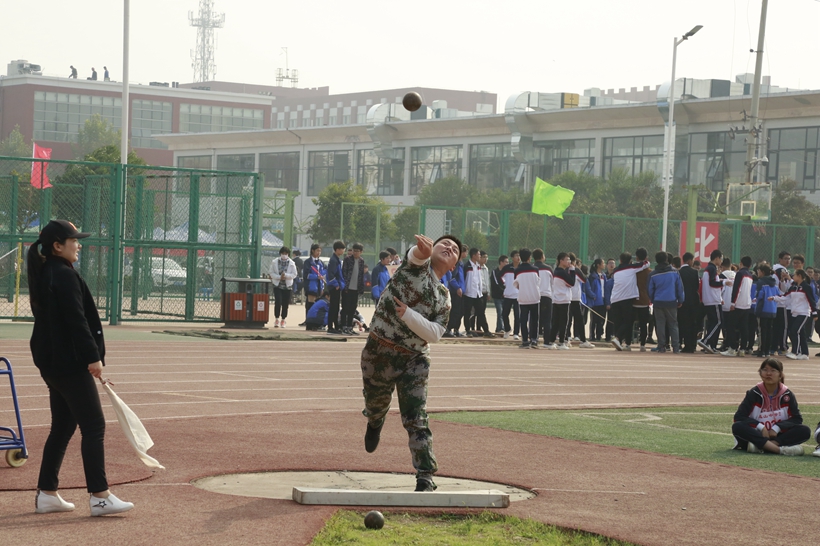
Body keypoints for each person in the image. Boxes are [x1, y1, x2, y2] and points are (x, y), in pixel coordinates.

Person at [27, 220, 134, 516]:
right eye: (74, 240)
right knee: (94, 426)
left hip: (52, 364)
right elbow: (77, 321)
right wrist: (93, 357)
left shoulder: (46, 272)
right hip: (70, 364)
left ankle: (47, 494)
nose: (79, 245)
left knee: (62, 427)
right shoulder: (63, 275)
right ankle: (100, 496)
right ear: (57, 246)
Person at [361, 233, 461, 492]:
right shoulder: (413, 268)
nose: (449, 247)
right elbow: (414, 257)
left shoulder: (444, 296)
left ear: (454, 266)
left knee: (416, 418)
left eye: (455, 250)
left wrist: (409, 315)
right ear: (432, 249)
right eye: (444, 244)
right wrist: (421, 253)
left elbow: (435, 334)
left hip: (415, 359)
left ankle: (425, 475)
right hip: (379, 351)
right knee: (375, 405)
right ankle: (375, 421)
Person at [731, 358, 809, 456]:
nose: (768, 373)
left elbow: (797, 419)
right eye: (765, 370)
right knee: (738, 426)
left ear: (780, 374)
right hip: (756, 434)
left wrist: (777, 427)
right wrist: (761, 427)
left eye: (773, 370)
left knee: (804, 430)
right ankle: (779, 450)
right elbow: (739, 417)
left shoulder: (787, 395)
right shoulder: (753, 393)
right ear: (760, 373)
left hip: (778, 435)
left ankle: (762, 446)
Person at [768, 269, 817, 360]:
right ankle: (805, 353)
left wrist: (814, 313)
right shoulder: (793, 287)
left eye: (794, 275)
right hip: (795, 313)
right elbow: (785, 297)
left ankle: (795, 352)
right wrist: (774, 298)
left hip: (803, 313)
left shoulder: (806, 287)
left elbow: (811, 300)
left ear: (799, 276)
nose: (792, 277)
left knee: (794, 331)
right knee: (801, 333)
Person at [609, 252, 649, 351]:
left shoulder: (615, 270)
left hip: (614, 298)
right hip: (626, 298)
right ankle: (617, 338)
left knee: (618, 322)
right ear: (630, 261)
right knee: (628, 321)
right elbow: (646, 263)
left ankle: (618, 342)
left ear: (620, 260)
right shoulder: (632, 268)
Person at [647, 251, 684, 354]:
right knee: (673, 324)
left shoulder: (653, 274)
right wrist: (680, 300)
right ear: (667, 259)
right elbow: (680, 288)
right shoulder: (675, 272)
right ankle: (676, 347)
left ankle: (661, 346)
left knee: (660, 324)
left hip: (658, 302)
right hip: (671, 301)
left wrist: (653, 299)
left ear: (656, 260)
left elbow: (650, 290)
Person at [697, 249, 731, 354]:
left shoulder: (708, 269)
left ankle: (711, 345)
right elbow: (712, 283)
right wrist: (724, 283)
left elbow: (711, 282)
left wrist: (722, 281)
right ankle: (705, 341)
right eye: (721, 258)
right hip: (713, 300)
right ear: (716, 258)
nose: (721, 261)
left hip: (710, 300)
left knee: (713, 323)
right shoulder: (712, 269)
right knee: (718, 322)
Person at [722, 256, 754, 357]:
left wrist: (733, 303)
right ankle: (742, 349)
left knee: (730, 326)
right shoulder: (750, 275)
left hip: (738, 304)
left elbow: (737, 288)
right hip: (746, 304)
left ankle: (733, 348)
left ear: (741, 263)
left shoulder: (740, 274)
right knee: (744, 328)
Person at [512, 248, 540, 349]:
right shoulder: (535, 269)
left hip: (523, 298)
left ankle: (525, 341)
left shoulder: (517, 270)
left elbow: (516, 284)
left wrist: (523, 288)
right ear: (529, 258)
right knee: (534, 320)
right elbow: (538, 282)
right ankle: (534, 340)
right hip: (534, 297)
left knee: (523, 320)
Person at [551, 252, 576, 350]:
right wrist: (572, 270)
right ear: (561, 261)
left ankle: (551, 341)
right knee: (563, 322)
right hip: (563, 300)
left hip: (557, 299)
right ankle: (561, 342)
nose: (569, 261)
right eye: (567, 260)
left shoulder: (557, 271)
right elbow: (572, 283)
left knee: (556, 322)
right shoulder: (562, 272)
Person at [753, 263, 779, 357]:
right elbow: (778, 295)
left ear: (762, 272)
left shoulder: (761, 282)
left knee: (762, 331)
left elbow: (759, 295)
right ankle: (767, 351)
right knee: (769, 330)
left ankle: (761, 350)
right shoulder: (774, 282)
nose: (757, 272)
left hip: (763, 309)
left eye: (758, 271)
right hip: (772, 310)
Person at [269, 246, 298, 328]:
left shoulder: (292, 263)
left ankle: (283, 319)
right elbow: (271, 272)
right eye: (283, 253)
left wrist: (286, 276)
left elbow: (294, 274)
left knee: (285, 303)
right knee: (278, 302)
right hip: (277, 285)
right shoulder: (275, 262)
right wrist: (279, 277)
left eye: (286, 253)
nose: (284, 255)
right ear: (280, 254)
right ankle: (276, 318)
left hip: (287, 286)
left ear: (288, 254)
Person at [678, 252, 701, 353]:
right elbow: (696, 286)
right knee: (693, 323)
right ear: (689, 261)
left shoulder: (679, 272)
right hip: (693, 301)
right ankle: (693, 345)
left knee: (684, 323)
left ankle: (686, 345)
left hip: (683, 301)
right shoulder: (695, 272)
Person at [341, 243, 366, 335]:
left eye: (357, 251)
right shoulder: (347, 259)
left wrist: (361, 288)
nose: (355, 253)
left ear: (361, 252)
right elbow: (344, 273)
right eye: (354, 251)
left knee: (352, 309)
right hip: (347, 288)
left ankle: (349, 327)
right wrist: (344, 286)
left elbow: (361, 275)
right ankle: (344, 327)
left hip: (356, 289)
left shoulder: (361, 261)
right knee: (345, 308)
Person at [532, 249, 554, 349]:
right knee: (547, 320)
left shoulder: (532, 268)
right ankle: (547, 341)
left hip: (535, 296)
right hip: (546, 296)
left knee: (534, 319)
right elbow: (553, 283)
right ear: (542, 256)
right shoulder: (548, 268)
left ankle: (534, 340)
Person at [443, 245, 466, 337]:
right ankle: (448, 329)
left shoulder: (461, 263)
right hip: (455, 291)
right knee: (454, 311)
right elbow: (451, 277)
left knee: (460, 312)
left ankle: (456, 329)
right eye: (465, 252)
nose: (466, 254)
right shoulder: (455, 263)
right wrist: (457, 288)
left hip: (461, 291)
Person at [462, 248, 486, 337]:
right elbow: (464, 279)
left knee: (481, 312)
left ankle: (486, 330)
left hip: (478, 294)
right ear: (473, 255)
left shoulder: (478, 266)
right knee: (467, 313)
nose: (480, 256)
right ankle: (468, 330)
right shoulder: (467, 266)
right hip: (468, 294)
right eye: (478, 254)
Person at [632, 248, 652, 351]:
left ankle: (627, 343)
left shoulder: (632, 271)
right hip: (644, 300)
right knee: (643, 324)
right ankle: (642, 345)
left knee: (630, 322)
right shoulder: (649, 272)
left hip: (633, 299)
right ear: (646, 258)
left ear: (636, 257)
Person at [326, 240, 346, 334]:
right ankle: (330, 327)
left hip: (337, 286)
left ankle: (336, 326)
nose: (343, 251)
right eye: (342, 249)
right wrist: (336, 284)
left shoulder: (337, 259)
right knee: (333, 307)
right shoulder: (333, 260)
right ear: (337, 249)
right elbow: (331, 274)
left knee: (336, 307)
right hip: (334, 287)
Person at [501, 250, 521, 340]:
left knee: (517, 315)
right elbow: (499, 276)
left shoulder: (522, 268)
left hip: (518, 296)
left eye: (519, 256)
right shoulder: (507, 268)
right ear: (512, 258)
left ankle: (516, 333)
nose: (518, 257)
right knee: (504, 314)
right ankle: (507, 329)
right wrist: (504, 285)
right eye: (516, 255)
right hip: (508, 295)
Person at [302, 243, 326, 319]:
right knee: (310, 304)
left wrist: (322, 275)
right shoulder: (308, 262)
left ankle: (314, 320)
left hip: (319, 286)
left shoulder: (320, 262)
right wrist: (316, 277)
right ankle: (309, 320)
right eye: (317, 251)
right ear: (312, 251)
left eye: (320, 251)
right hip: (311, 286)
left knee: (317, 304)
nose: (319, 253)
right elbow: (306, 275)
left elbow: (325, 270)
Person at [587, 258, 606, 342]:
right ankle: (592, 336)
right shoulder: (592, 276)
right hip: (595, 301)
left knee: (601, 320)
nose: (604, 264)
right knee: (594, 320)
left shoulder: (603, 276)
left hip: (603, 301)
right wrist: (593, 296)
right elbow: (589, 288)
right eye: (603, 263)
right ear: (598, 265)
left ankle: (599, 336)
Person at [490, 255, 507, 334]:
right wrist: (503, 292)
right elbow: (496, 283)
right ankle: (501, 328)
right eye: (506, 262)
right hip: (497, 296)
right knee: (500, 312)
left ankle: (498, 329)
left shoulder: (507, 272)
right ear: (501, 262)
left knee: (504, 313)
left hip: (506, 296)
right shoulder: (495, 271)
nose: (507, 264)